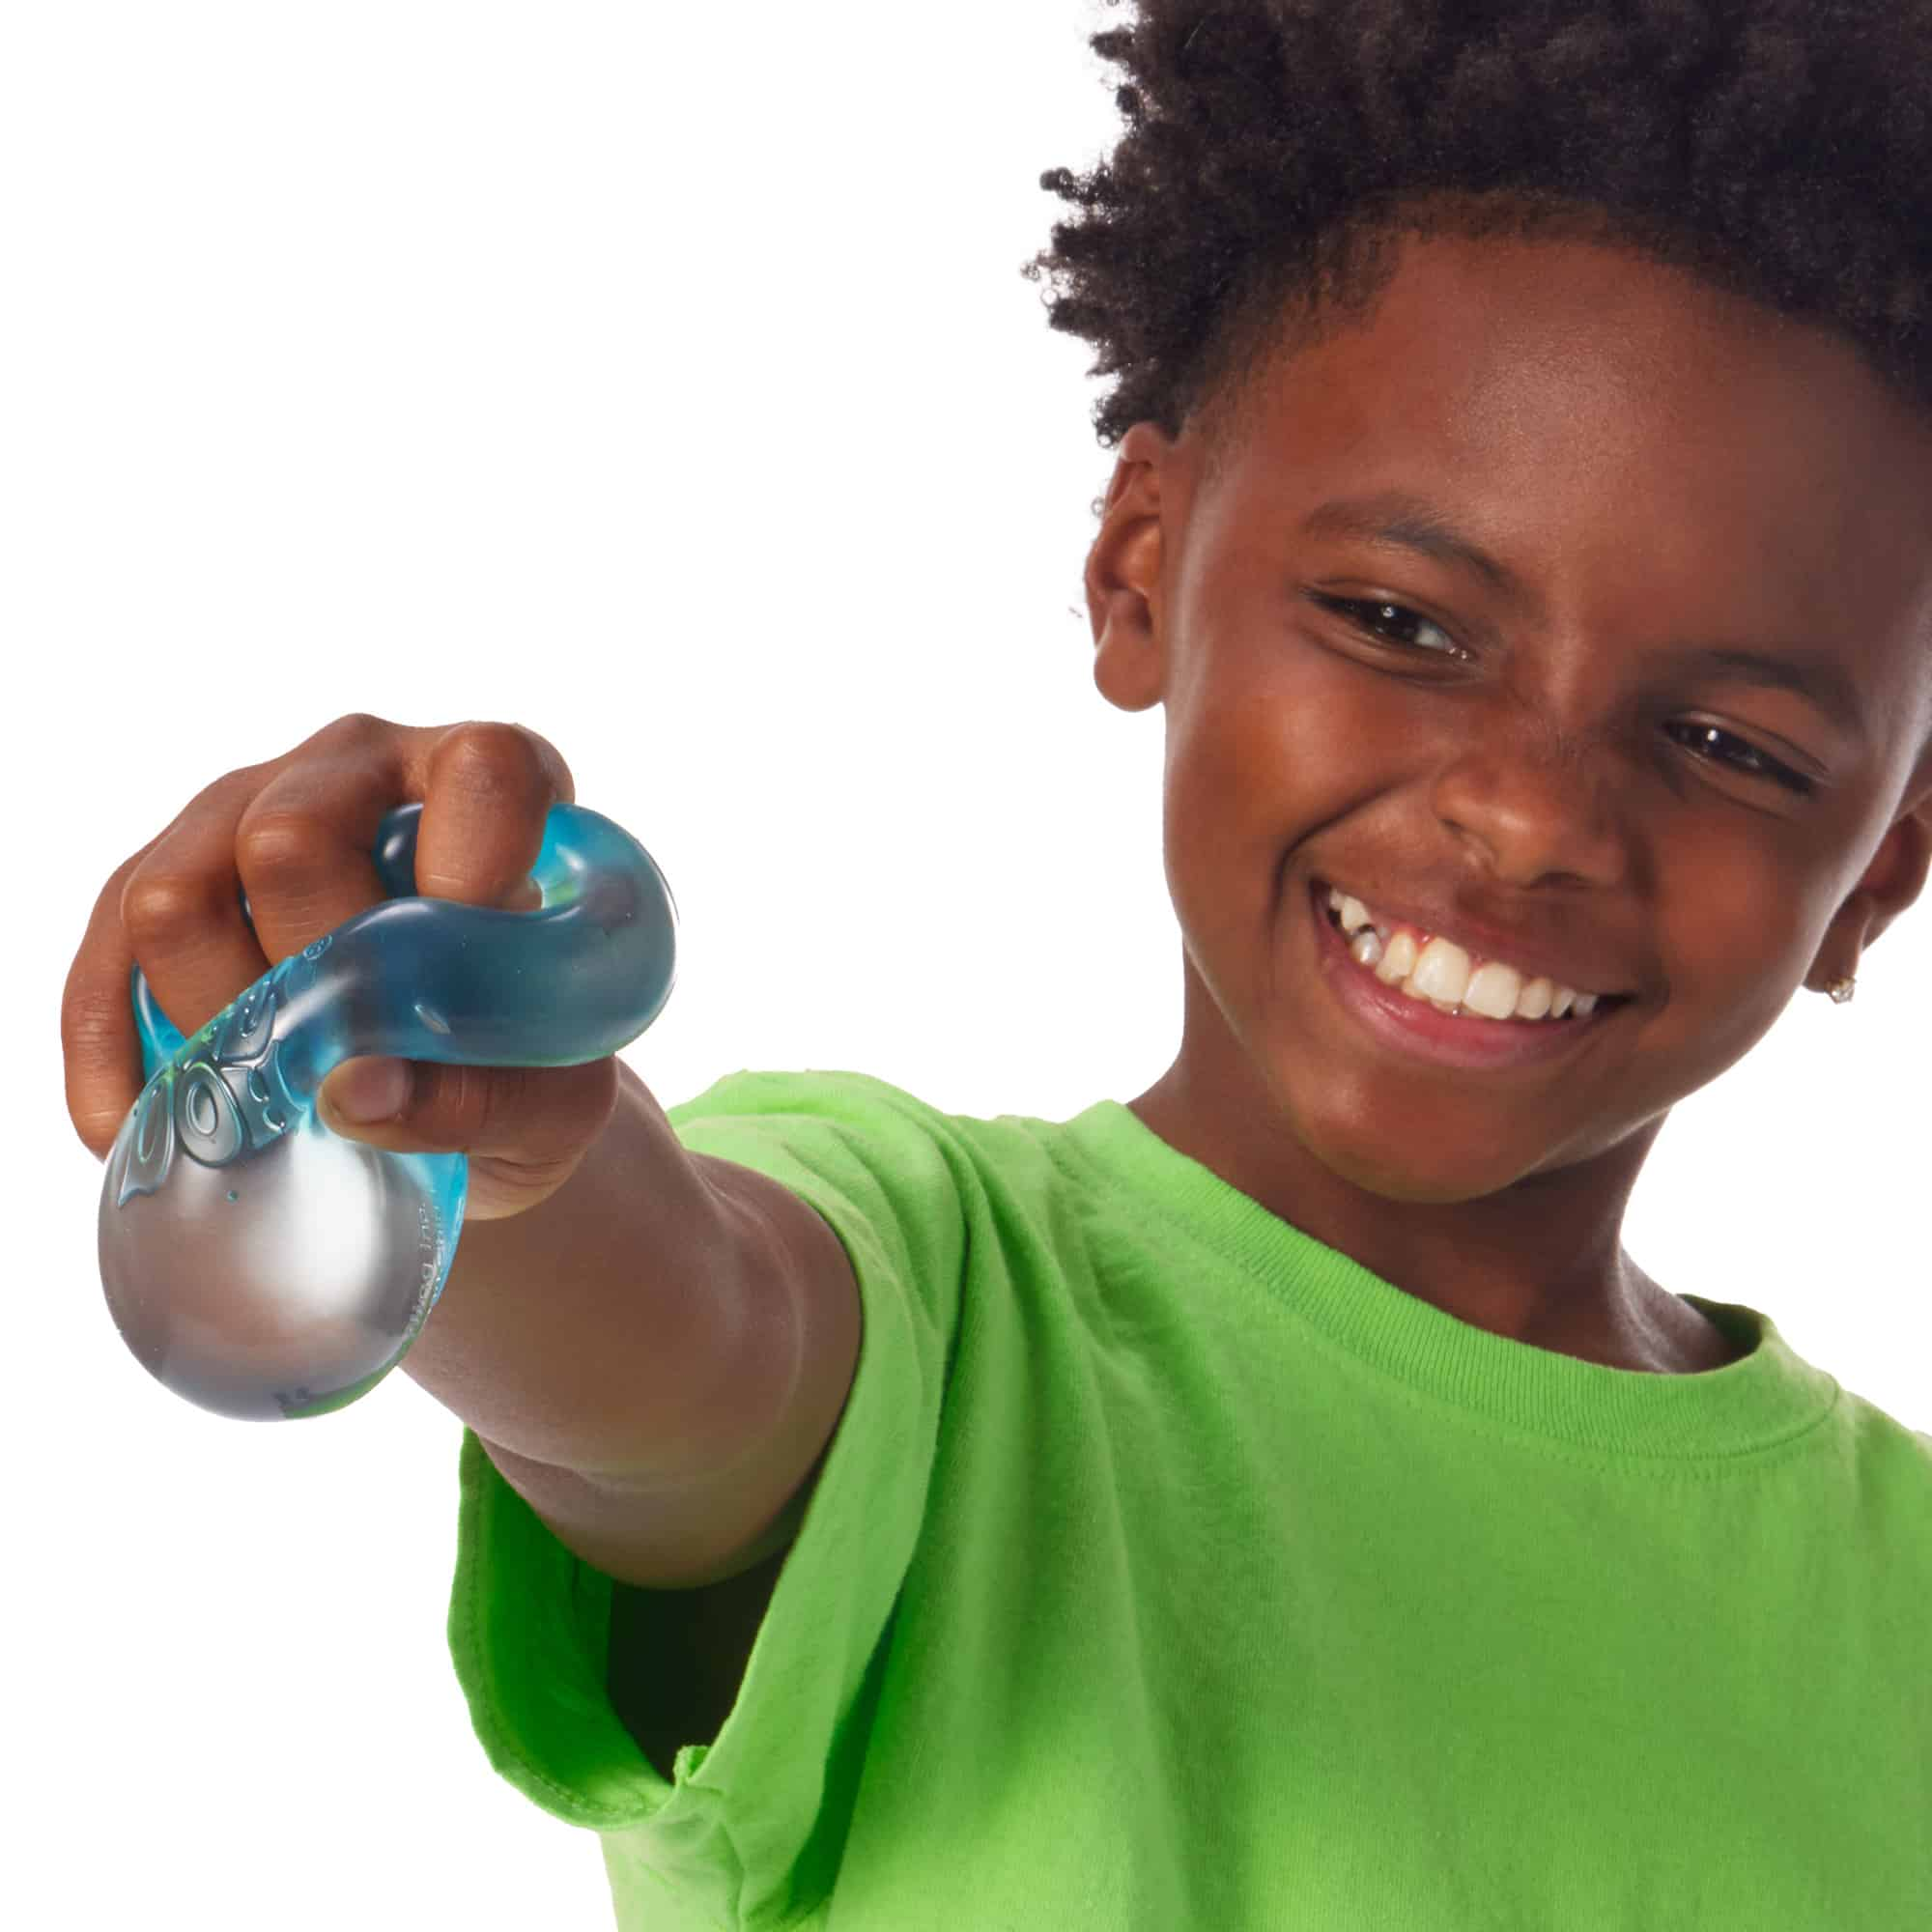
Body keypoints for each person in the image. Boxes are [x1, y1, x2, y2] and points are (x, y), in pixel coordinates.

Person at [62, 2, 1932, 1924]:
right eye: (1399, 621)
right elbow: (675, 1345)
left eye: (1731, 743)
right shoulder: (939, 1298)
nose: (1531, 817)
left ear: (1881, 863)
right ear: (1141, 569)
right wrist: (507, 1151)